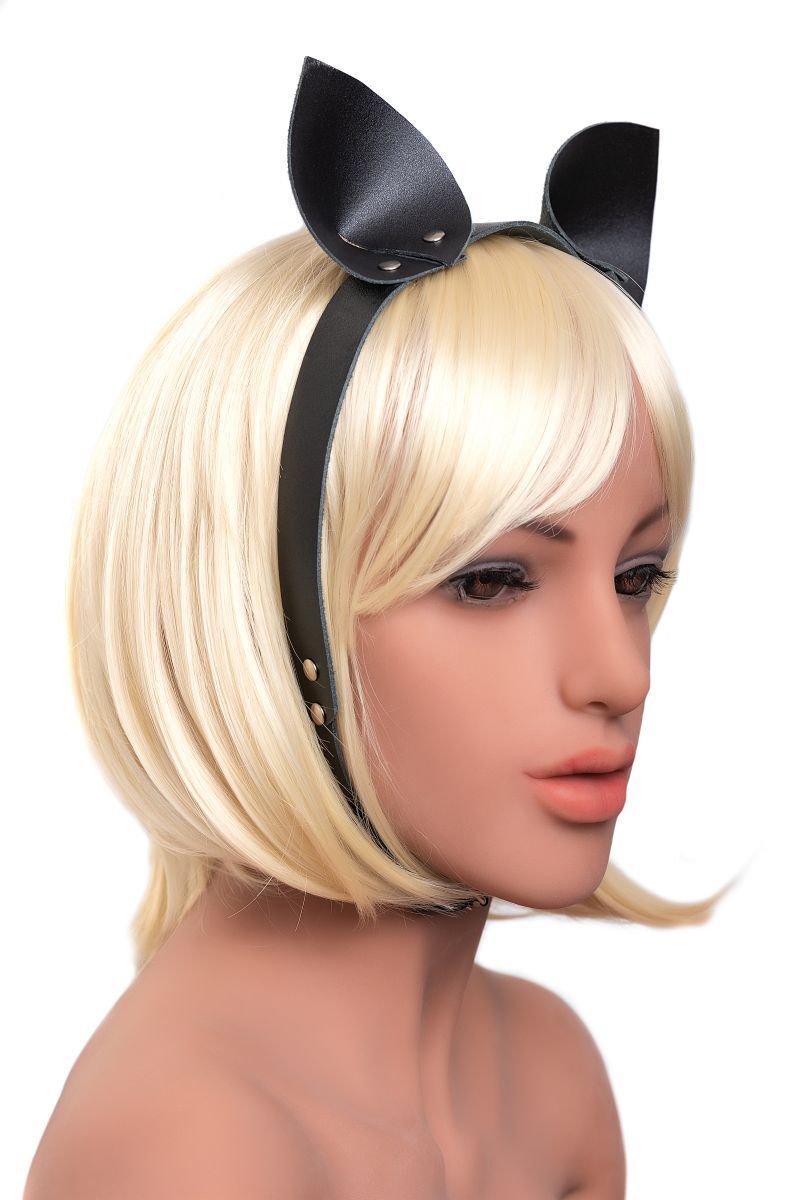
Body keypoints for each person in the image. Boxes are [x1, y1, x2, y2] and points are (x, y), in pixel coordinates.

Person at [24, 58, 742, 1200]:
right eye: (492, 582)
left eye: (635, 576)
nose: (620, 673)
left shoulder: (549, 1081)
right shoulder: (191, 1156)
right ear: (262, 614)